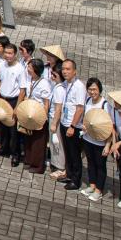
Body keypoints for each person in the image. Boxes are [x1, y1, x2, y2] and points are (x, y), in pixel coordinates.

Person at [58, 58, 88, 190]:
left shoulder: (79, 86)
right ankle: (69, 174)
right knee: (68, 152)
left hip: (73, 126)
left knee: (74, 154)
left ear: (74, 71)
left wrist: (72, 126)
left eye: (68, 69)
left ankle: (76, 180)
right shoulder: (66, 84)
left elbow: (80, 108)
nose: (65, 71)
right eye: (63, 69)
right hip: (64, 122)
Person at [79, 78, 109, 201]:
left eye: (94, 89)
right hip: (88, 139)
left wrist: (107, 145)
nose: (92, 92)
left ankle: (99, 190)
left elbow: (110, 126)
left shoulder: (105, 105)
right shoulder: (88, 101)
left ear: (99, 89)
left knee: (100, 165)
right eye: (90, 89)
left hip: (100, 141)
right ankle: (92, 185)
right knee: (91, 163)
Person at [23, 59, 53, 174]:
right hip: (30, 113)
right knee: (29, 139)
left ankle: (38, 165)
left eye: (30, 67)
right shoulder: (30, 79)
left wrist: (42, 119)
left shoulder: (44, 84)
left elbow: (46, 104)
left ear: (35, 69)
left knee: (38, 142)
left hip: (39, 115)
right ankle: (29, 160)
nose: (28, 69)